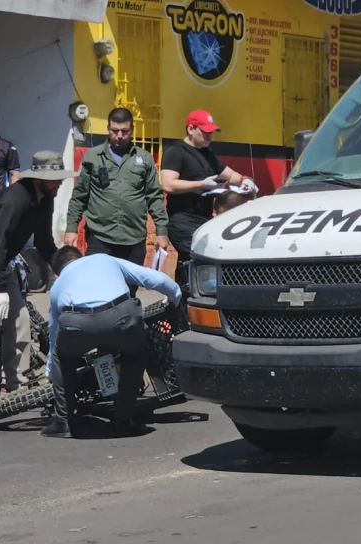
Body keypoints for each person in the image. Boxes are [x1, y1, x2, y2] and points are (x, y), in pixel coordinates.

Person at [0, 150, 73, 410]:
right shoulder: (15, 198)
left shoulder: (45, 200)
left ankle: (16, 383)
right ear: (38, 178)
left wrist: (67, 269)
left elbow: (43, 242)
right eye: (53, 179)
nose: (58, 183)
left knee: (20, 323)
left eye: (59, 178)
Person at [43, 246, 182, 439]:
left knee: (61, 357)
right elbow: (154, 278)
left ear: (58, 271)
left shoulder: (57, 285)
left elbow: (53, 330)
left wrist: (50, 367)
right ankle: (124, 420)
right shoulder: (104, 259)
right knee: (136, 353)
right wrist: (176, 298)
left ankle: (63, 421)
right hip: (120, 316)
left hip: (76, 322)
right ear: (81, 256)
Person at [63, 108, 170, 295]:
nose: (119, 136)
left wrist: (161, 231)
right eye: (114, 131)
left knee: (128, 292)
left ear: (132, 130)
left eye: (125, 131)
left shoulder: (143, 158)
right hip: (100, 236)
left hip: (133, 238)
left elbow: (154, 196)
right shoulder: (93, 157)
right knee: (96, 289)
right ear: (108, 128)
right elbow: (80, 195)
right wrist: (71, 228)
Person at [160, 110, 258, 261]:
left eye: (211, 132)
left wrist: (244, 180)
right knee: (196, 258)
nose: (209, 136)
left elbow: (229, 175)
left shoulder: (207, 153)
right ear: (191, 129)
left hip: (203, 219)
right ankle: (186, 284)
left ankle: (183, 284)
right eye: (205, 131)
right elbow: (168, 184)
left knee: (195, 261)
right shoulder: (176, 151)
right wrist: (202, 184)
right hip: (182, 219)